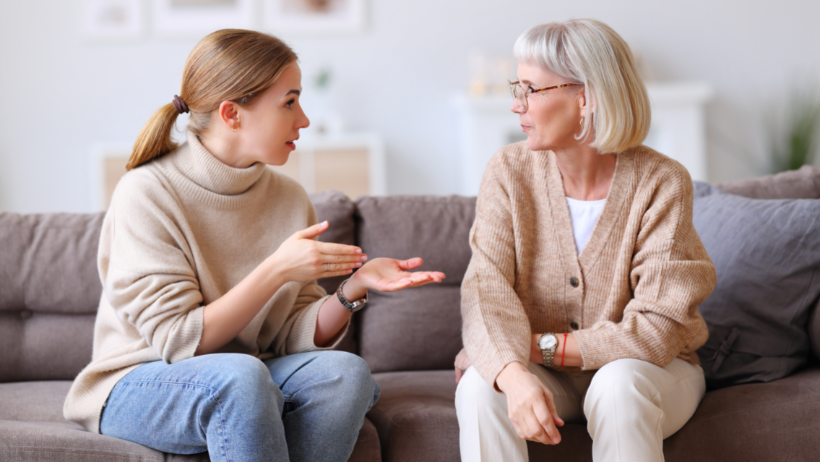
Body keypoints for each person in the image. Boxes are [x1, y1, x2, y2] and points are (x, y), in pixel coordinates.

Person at [63, 29, 445, 462]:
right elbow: (178, 341)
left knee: (345, 373)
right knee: (241, 378)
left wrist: (353, 288)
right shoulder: (146, 193)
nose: (303, 119)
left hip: (251, 374)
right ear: (232, 114)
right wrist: (276, 269)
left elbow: (288, 334)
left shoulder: (287, 197)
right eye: (289, 102)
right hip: (141, 377)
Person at [453, 19, 716, 462]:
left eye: (530, 90)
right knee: (484, 385)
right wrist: (510, 371)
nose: (516, 106)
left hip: (650, 375)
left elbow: (656, 332)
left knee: (616, 386)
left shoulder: (661, 181)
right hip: (551, 381)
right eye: (516, 88)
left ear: (586, 97)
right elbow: (485, 291)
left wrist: (522, 348)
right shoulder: (507, 171)